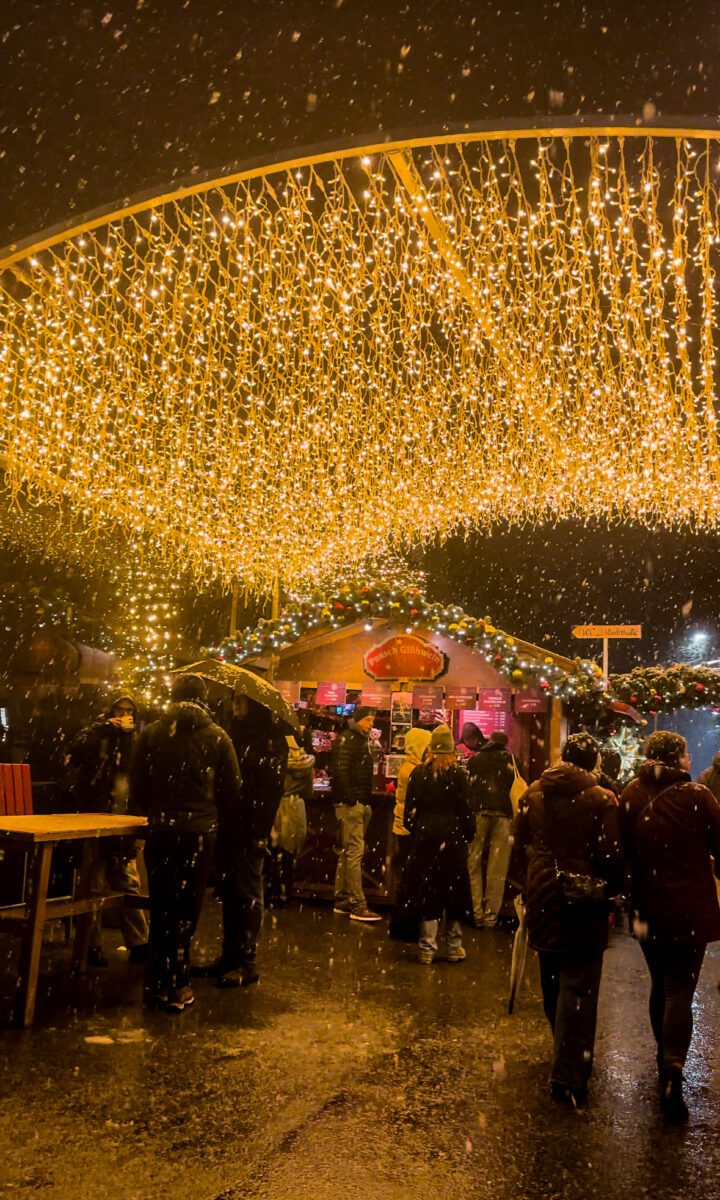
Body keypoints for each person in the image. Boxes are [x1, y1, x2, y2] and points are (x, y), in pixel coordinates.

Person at [512, 732, 623, 1107]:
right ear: (594, 763)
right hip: (583, 896)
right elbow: (611, 855)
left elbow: (519, 843)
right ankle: (569, 1076)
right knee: (580, 985)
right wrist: (613, 888)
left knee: (552, 976)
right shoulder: (601, 799)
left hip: (543, 891)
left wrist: (531, 878)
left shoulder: (534, 793)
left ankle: (562, 1048)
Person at [621, 730, 720, 1123]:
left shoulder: (631, 794)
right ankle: (673, 1070)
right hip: (689, 908)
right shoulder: (697, 797)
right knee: (680, 988)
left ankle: (663, 1058)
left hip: (648, 907)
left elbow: (622, 850)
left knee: (659, 982)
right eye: (685, 754)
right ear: (677, 758)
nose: (690, 760)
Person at [129, 674, 241, 1012]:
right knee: (187, 908)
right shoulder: (218, 737)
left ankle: (156, 981)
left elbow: (139, 783)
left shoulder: (152, 734)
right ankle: (178, 983)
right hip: (199, 833)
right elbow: (232, 789)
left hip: (162, 829)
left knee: (162, 904)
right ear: (204, 699)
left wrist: (157, 810)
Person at [206, 691, 289, 986]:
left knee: (248, 893)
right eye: (233, 700)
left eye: (241, 701)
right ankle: (229, 955)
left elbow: (270, 791)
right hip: (229, 824)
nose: (235, 706)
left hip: (250, 827)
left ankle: (246, 960)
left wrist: (260, 831)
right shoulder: (233, 733)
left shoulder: (270, 739)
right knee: (230, 891)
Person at [66, 689, 148, 967]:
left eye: (129, 711)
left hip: (122, 818)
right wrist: (105, 730)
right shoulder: (96, 732)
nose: (125, 716)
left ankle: (139, 944)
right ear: (110, 711)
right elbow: (77, 753)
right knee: (94, 882)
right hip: (95, 816)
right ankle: (90, 945)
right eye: (120, 710)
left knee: (127, 882)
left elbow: (137, 772)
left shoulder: (135, 739)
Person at [402, 724, 475, 964]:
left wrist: (420, 831)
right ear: (452, 751)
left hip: (426, 839)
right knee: (454, 894)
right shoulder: (459, 775)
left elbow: (409, 814)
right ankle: (453, 947)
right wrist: (466, 833)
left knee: (428, 892)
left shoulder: (419, 774)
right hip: (452, 839)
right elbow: (466, 811)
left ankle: (427, 948)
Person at [330, 706, 382, 922]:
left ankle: (342, 898)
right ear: (358, 720)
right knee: (355, 852)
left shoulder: (355, 739)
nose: (371, 724)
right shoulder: (349, 740)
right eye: (368, 720)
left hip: (355, 802)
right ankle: (357, 904)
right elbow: (340, 770)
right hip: (351, 804)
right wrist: (354, 799)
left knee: (348, 851)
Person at [467, 730, 516, 928]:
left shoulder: (476, 759)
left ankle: (476, 911)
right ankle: (490, 916)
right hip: (503, 815)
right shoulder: (512, 761)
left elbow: (468, 786)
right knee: (497, 868)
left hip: (478, 812)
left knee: (473, 862)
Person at [388, 727, 432, 941]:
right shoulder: (413, 770)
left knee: (408, 879)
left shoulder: (410, 767)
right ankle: (405, 927)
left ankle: (403, 925)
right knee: (410, 880)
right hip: (408, 830)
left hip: (405, 828)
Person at [266, 733, 314, 907]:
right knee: (290, 852)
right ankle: (288, 892)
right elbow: (309, 791)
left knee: (275, 850)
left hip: (279, 805)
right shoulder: (306, 762)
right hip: (296, 806)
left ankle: (274, 892)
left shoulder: (277, 760)